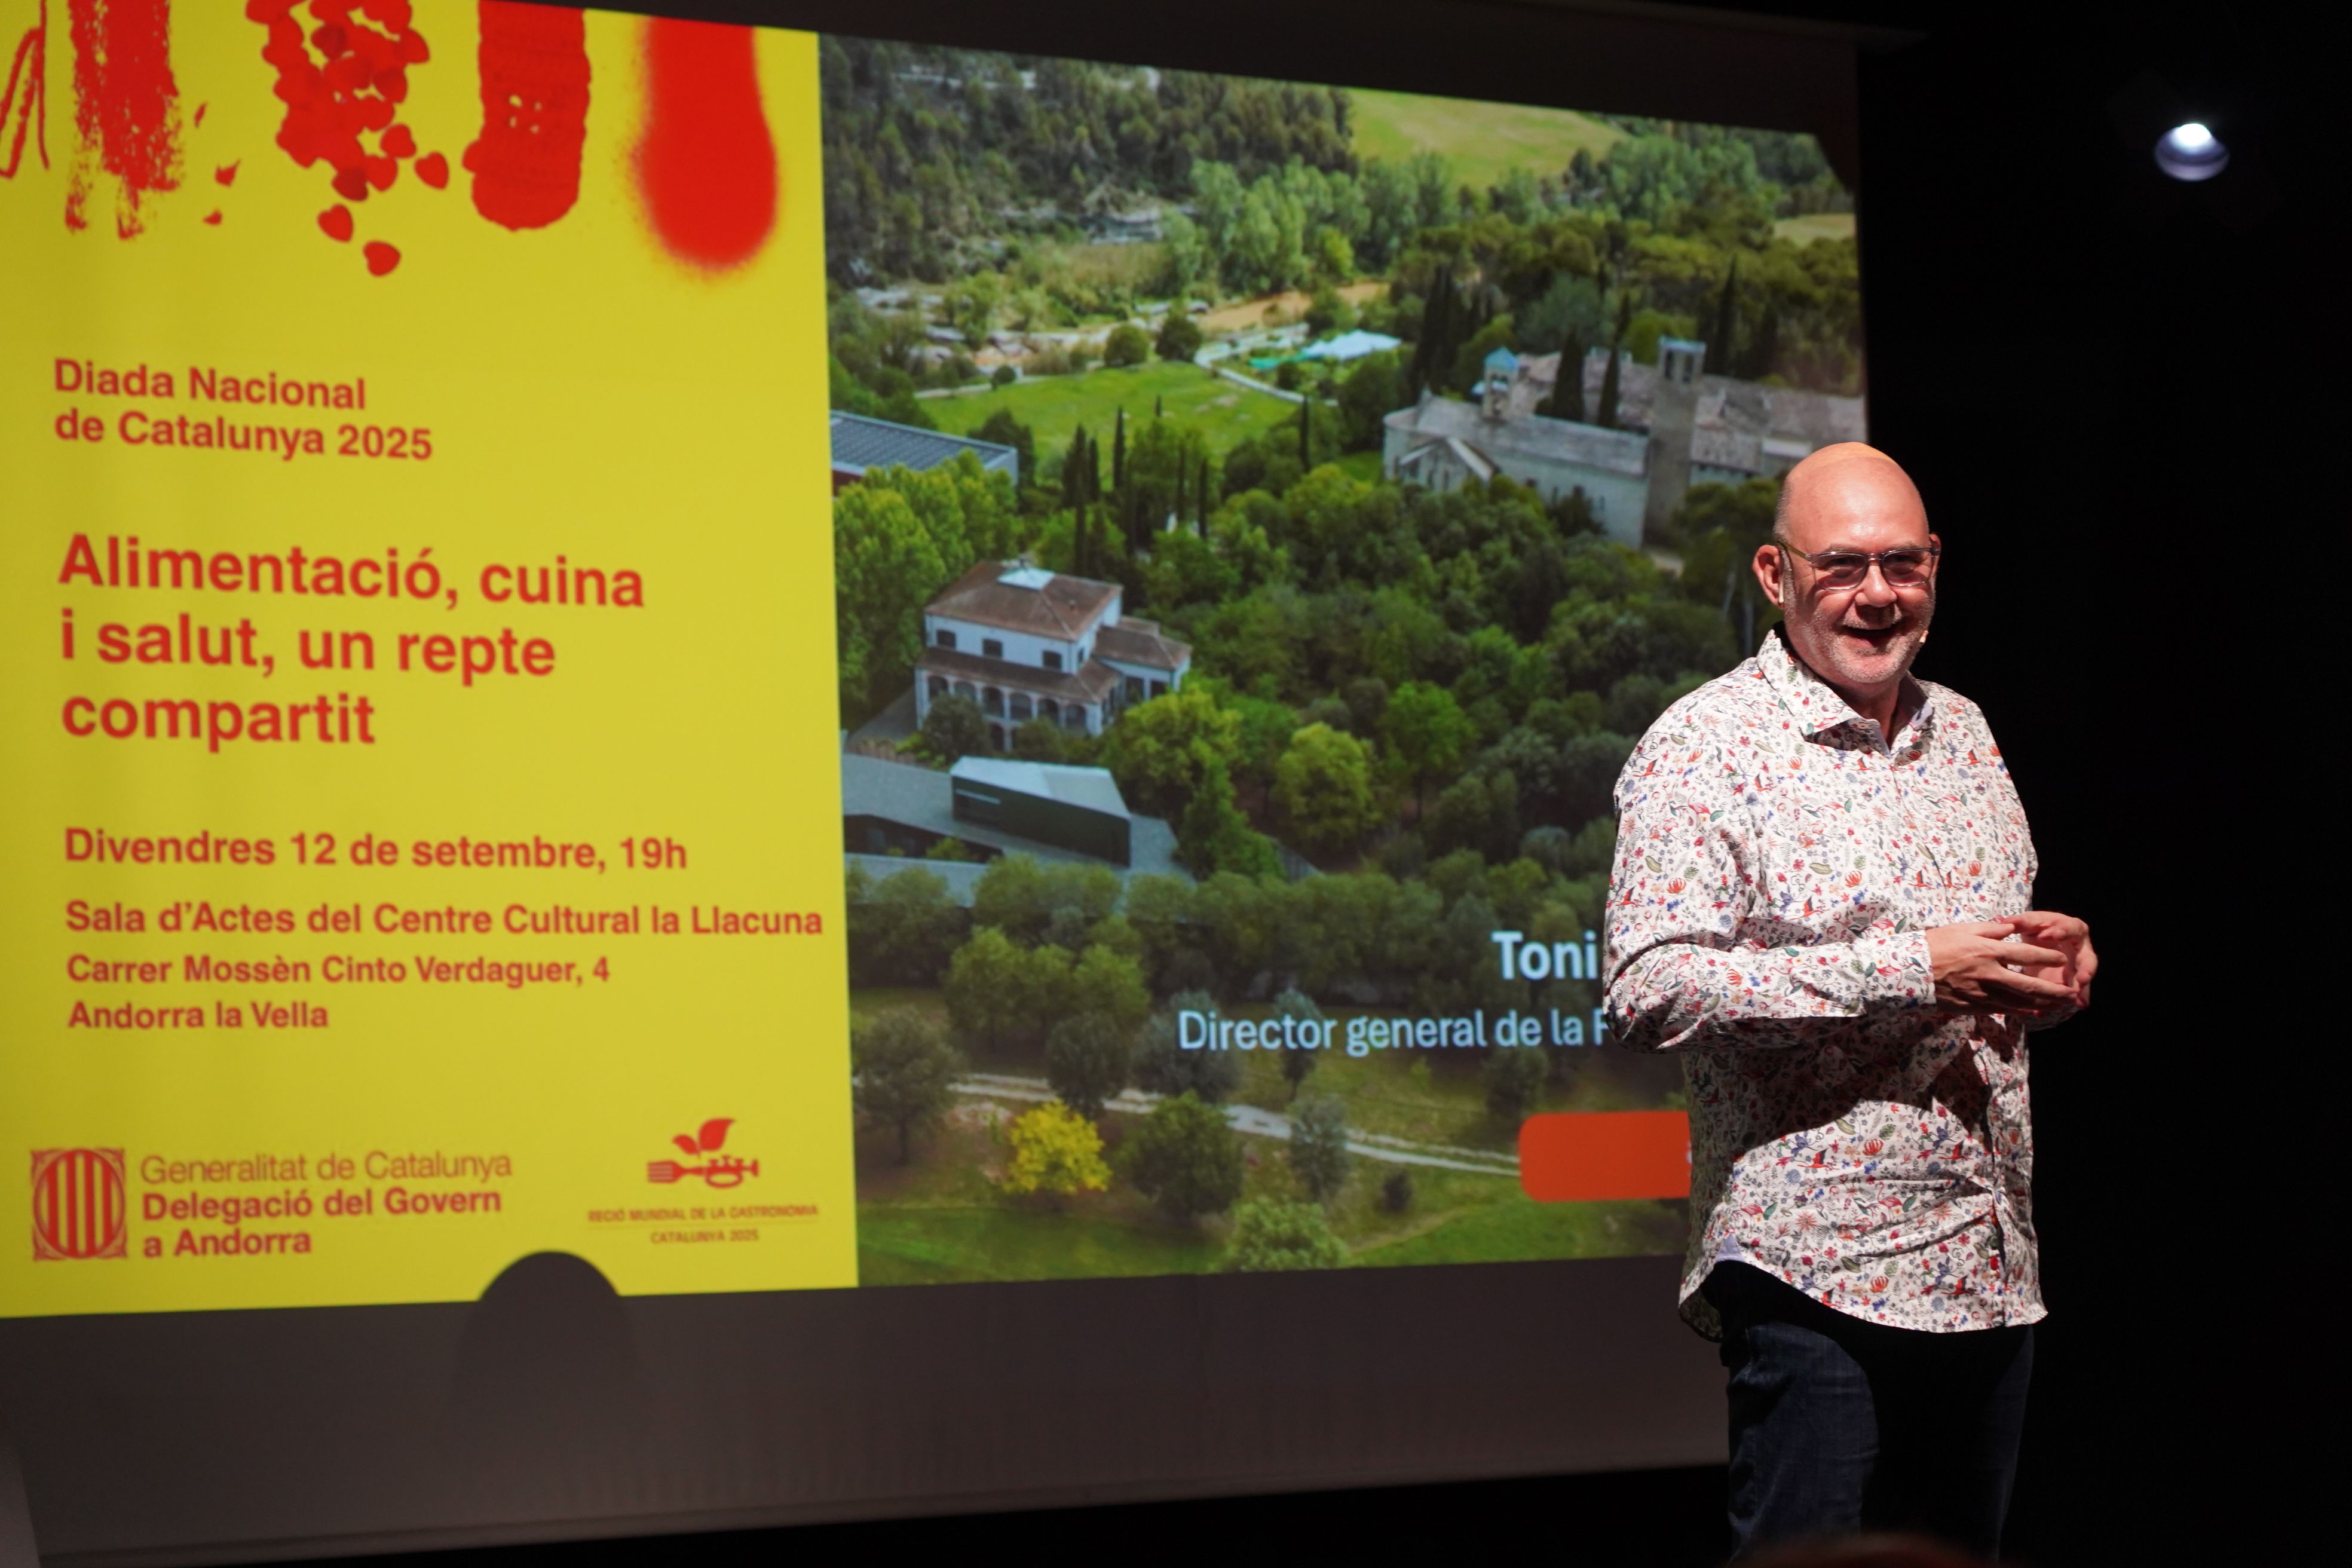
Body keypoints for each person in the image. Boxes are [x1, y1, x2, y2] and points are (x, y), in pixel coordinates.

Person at [1601, 444, 2095, 1559]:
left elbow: (1983, 972)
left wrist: (2048, 969)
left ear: (1935, 569)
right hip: (1815, 1274)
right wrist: (1914, 966)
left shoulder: (1963, 735)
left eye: (1902, 565)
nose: (1878, 595)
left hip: (1987, 1268)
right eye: (1842, 567)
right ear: (1777, 577)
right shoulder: (1705, 746)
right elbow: (1648, 987)